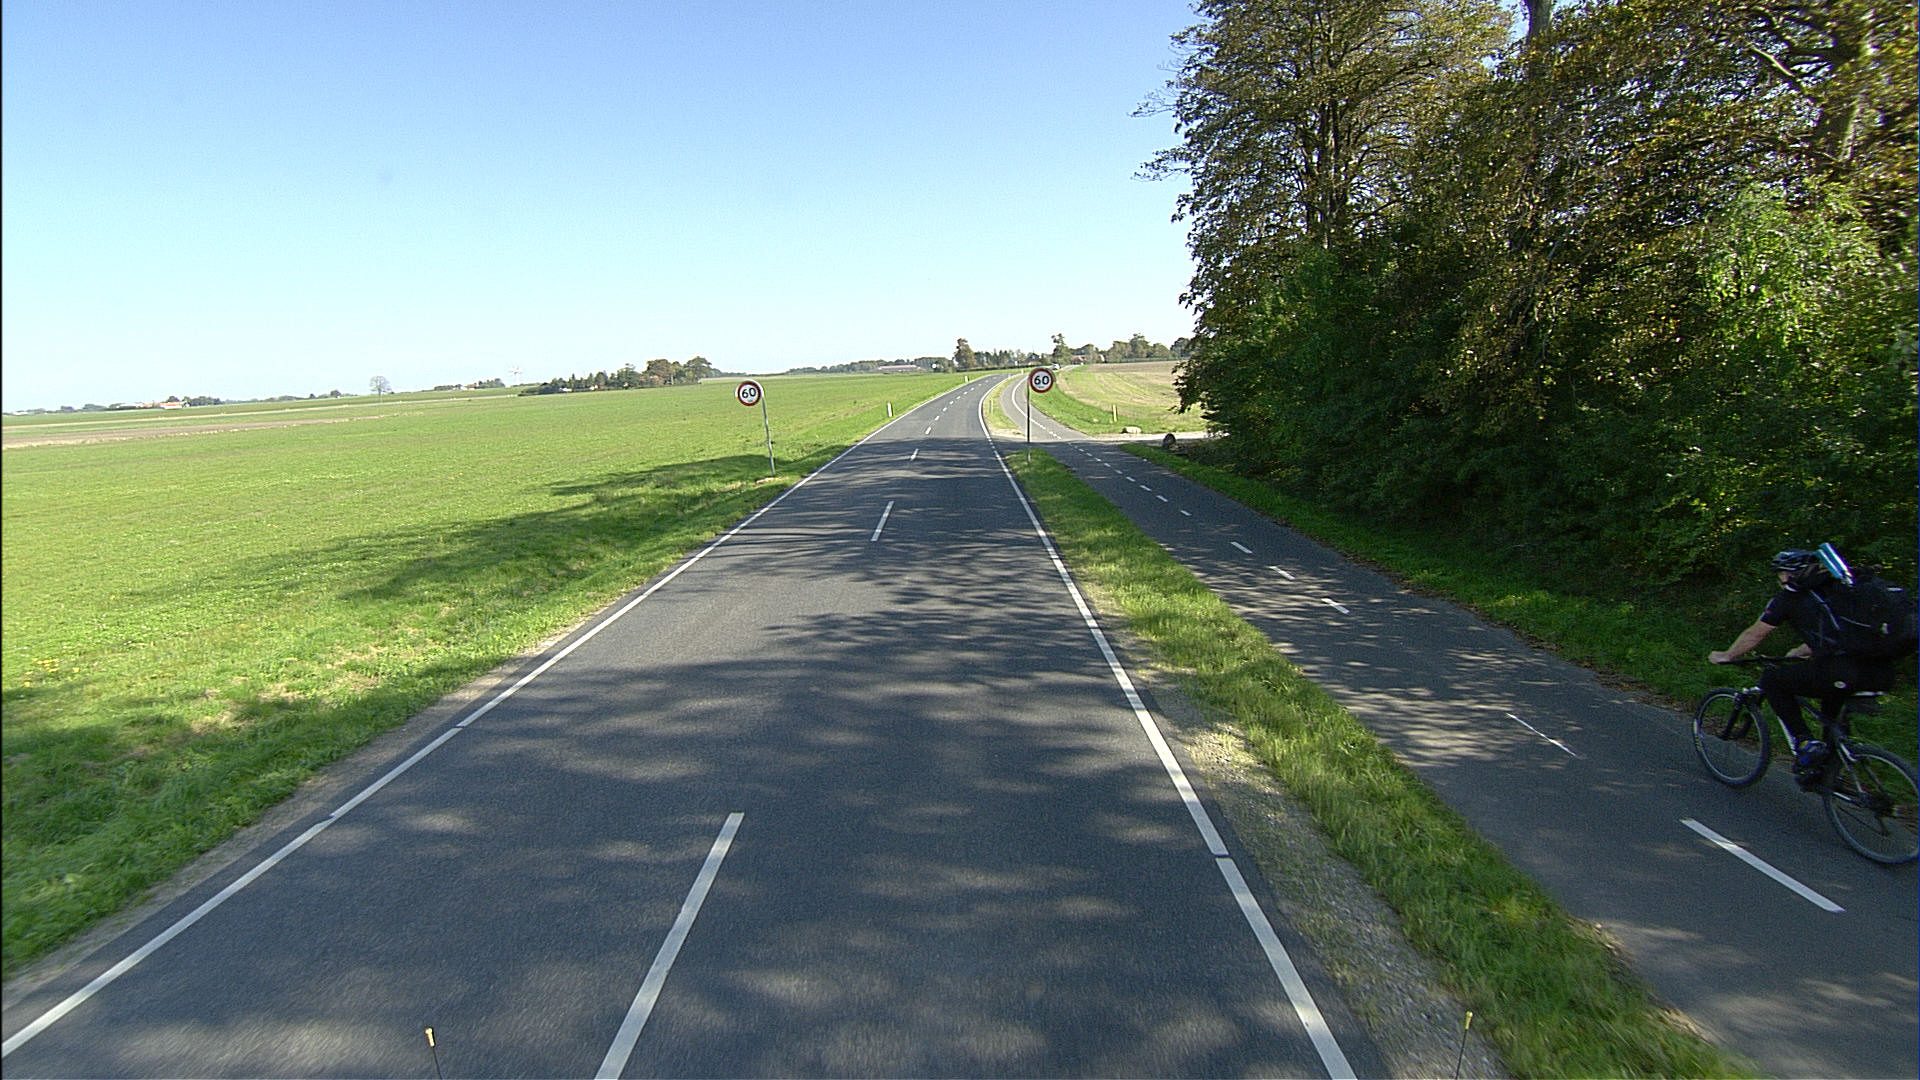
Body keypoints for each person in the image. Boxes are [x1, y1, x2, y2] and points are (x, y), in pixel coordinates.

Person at [1710, 549, 1899, 784]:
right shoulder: (1839, 591)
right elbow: (1840, 634)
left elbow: (1755, 634)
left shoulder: (1790, 596)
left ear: (1788, 574)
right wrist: (1801, 651)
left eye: (1780, 573)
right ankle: (1829, 771)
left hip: (1842, 670)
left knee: (1772, 680)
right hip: (1880, 672)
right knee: (1831, 709)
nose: (1779, 579)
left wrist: (1727, 655)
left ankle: (1805, 742)